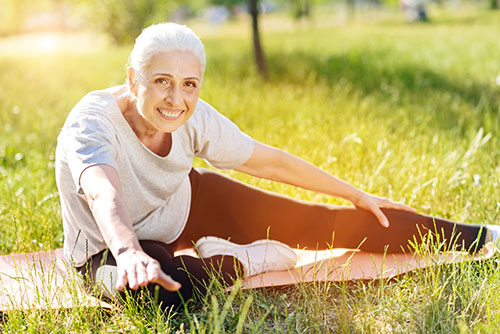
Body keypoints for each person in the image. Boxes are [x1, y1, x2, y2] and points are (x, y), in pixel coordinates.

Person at [55, 22, 497, 310]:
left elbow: (268, 161)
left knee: (322, 223)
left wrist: (354, 193)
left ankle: (484, 237)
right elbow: (101, 191)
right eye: (162, 82)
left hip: (184, 203)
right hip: (110, 247)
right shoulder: (91, 123)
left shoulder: (195, 115)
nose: (176, 100)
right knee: (158, 290)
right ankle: (243, 263)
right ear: (133, 79)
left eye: (189, 84)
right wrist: (130, 252)